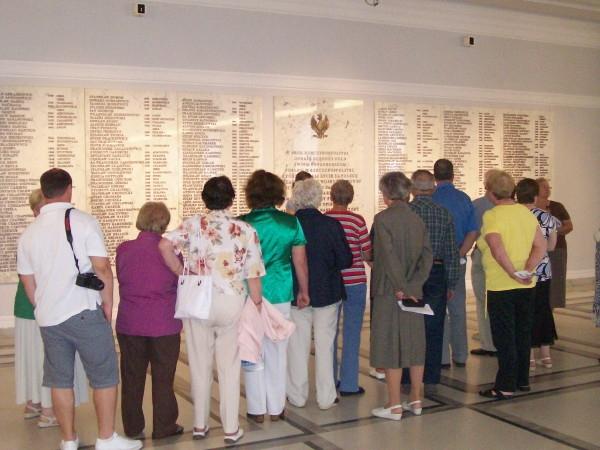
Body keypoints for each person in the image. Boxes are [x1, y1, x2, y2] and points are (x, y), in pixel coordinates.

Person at [17, 168, 142, 450]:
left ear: (44, 191)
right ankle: (106, 438)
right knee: (104, 376)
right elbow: (102, 268)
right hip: (84, 310)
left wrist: (41, 306)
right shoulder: (84, 222)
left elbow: (27, 280)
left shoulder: (29, 234)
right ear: (69, 189)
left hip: (49, 319)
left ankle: (68, 439)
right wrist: (108, 303)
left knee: (60, 380)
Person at [159, 176, 265, 444]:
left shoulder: (194, 224)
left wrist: (180, 271)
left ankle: (199, 424)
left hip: (199, 298)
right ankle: (230, 428)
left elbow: (164, 245)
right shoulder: (245, 229)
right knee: (229, 366)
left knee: (199, 363)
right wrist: (257, 304)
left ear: (205, 198)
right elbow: (253, 274)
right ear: (231, 199)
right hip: (231, 299)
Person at [14, 188, 88, 429]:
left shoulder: (30, 234)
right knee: (48, 358)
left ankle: (34, 402)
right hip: (45, 305)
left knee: (32, 356)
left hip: (27, 304)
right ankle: (48, 409)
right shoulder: (49, 234)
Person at [240, 170, 310, 423]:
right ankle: (277, 406)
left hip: (248, 294)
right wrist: (304, 291)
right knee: (278, 350)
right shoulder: (290, 223)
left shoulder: (241, 224)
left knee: (251, 349)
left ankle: (256, 408)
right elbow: (299, 262)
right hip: (280, 291)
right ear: (278, 194)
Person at [115, 202, 183, 440]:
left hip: (130, 322)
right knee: (164, 378)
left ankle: (133, 427)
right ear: (164, 224)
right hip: (163, 323)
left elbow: (123, 278)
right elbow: (180, 281)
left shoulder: (124, 249)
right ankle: (164, 425)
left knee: (132, 377)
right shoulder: (171, 251)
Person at [477, 171, 546, 400]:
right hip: (526, 284)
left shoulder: (492, 215)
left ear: (490, 192)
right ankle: (521, 380)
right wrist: (527, 270)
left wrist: (512, 273)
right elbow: (540, 246)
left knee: (504, 336)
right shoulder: (525, 213)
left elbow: (497, 249)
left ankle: (506, 385)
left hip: (501, 285)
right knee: (522, 333)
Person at [370, 172, 433, 420]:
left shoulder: (382, 219)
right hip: (414, 292)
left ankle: (394, 404)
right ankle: (416, 398)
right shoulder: (417, 219)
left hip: (389, 290)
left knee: (390, 346)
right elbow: (427, 256)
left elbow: (388, 257)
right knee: (415, 344)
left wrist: (402, 287)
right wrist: (414, 286)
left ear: (386, 194)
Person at [286, 178, 352, 410]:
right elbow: (345, 259)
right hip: (327, 292)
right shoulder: (331, 225)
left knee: (297, 345)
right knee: (325, 345)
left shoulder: (290, 225)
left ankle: (297, 395)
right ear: (318, 198)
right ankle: (326, 397)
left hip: (296, 293)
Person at [401, 170, 459, 394]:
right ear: (433, 188)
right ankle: (431, 377)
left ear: (412, 189)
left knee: (408, 324)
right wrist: (451, 283)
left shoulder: (406, 212)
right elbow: (451, 252)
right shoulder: (444, 213)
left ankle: (407, 377)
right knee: (434, 326)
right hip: (436, 271)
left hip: (410, 272)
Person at [325, 180, 372, 396]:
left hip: (332, 281)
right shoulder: (357, 221)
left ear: (331, 196)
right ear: (351, 198)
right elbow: (367, 251)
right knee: (352, 333)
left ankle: (330, 379)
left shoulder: (324, 219)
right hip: (355, 281)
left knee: (330, 332)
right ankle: (349, 384)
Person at [432, 159, 478, 367]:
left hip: (434, 263)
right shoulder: (463, 199)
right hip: (457, 260)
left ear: (435, 177)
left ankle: (441, 357)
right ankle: (460, 355)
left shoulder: (430, 199)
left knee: (437, 309)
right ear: (453, 175)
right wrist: (459, 254)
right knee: (458, 308)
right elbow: (473, 231)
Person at [515, 179, 559, 370]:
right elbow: (552, 246)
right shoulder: (547, 217)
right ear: (535, 196)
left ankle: (529, 357)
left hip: (521, 270)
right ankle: (546, 355)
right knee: (543, 310)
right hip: (542, 270)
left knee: (524, 313)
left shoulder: (514, 216)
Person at [470, 170, 502, 357]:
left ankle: (489, 343)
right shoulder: (515, 208)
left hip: (483, 256)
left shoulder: (477, 205)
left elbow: (472, 233)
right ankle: (501, 341)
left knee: (483, 301)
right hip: (505, 258)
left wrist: (463, 251)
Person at [536, 178, 573, 309]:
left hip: (557, 248)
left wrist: (554, 230)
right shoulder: (531, 208)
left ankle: (551, 307)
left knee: (556, 279)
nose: (548, 189)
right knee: (538, 281)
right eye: (544, 187)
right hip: (537, 250)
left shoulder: (557, 206)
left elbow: (569, 226)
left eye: (548, 187)